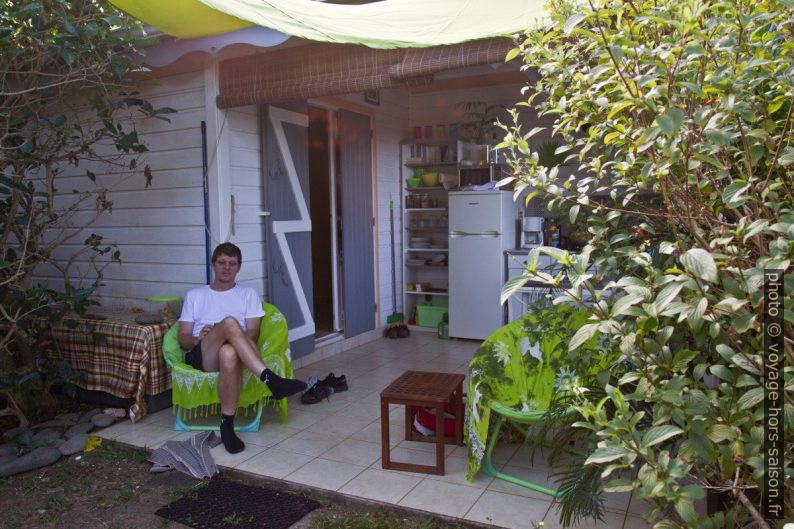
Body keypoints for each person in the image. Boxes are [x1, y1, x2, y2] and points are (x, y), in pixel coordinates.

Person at [178, 242, 306, 454]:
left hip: (235, 353)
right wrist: (197, 338)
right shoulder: (195, 295)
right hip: (204, 354)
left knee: (228, 351)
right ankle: (270, 379)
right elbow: (183, 337)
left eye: (232, 263)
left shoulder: (248, 294)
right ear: (213, 265)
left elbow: (253, 333)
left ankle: (226, 426)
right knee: (229, 322)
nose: (226, 267)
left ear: (238, 267)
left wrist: (229, 338)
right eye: (222, 262)